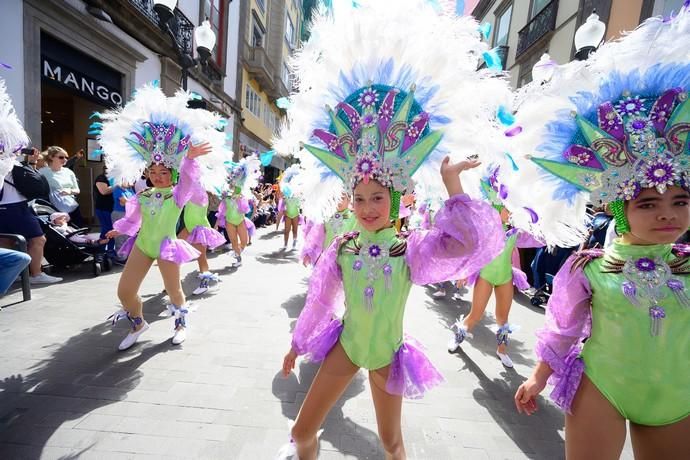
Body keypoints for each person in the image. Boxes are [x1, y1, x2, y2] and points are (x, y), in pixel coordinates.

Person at [273, 2, 511, 457]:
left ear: (397, 199)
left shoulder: (411, 249)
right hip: (345, 346)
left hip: (386, 354)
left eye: (377, 198)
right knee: (302, 432)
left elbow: (468, 242)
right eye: (359, 198)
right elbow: (320, 299)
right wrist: (298, 345)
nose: (366, 208)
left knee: (391, 441)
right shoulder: (341, 245)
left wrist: (452, 184)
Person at [511, 9, 690, 457]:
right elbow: (562, 329)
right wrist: (537, 376)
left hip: (677, 398)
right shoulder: (588, 267)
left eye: (680, 201)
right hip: (601, 389)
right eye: (648, 203)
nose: (667, 213)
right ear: (621, 207)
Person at [98, 83, 226, 350]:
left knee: (174, 290)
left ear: (173, 174)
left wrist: (188, 158)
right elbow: (134, 220)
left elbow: (190, 178)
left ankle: (180, 324)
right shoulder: (142, 196)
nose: (157, 176)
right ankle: (138, 323)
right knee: (125, 291)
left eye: (163, 172)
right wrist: (117, 230)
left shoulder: (178, 195)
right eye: (153, 172)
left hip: (167, 246)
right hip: (143, 245)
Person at [448, 165, 544, 368]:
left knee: (503, 318)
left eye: (511, 210)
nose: (509, 213)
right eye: (506, 209)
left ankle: (502, 350)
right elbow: (473, 250)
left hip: (505, 277)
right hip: (485, 275)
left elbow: (537, 239)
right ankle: (459, 336)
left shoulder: (516, 230)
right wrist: (464, 272)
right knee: (476, 314)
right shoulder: (487, 228)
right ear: (498, 208)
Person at [0, 79, 61, 285]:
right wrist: (30, 162)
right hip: (15, 208)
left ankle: (10, 275)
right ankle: (36, 274)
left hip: (5, 209)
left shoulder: (7, 163)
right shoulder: (8, 164)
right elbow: (30, 181)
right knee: (38, 239)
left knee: (6, 240)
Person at [216, 155, 261, 268]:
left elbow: (245, 207)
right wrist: (217, 224)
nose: (232, 180)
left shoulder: (240, 190)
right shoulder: (224, 192)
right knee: (234, 242)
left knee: (244, 242)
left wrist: (240, 196)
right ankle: (238, 258)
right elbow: (221, 209)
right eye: (230, 178)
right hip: (229, 221)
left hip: (240, 221)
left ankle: (237, 252)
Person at [301, 192, 357, 267]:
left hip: (346, 259)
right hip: (328, 259)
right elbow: (316, 236)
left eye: (342, 198)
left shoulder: (354, 216)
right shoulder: (327, 215)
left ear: (349, 199)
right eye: (335, 198)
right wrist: (308, 254)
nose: (339, 201)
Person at [40, 146, 85, 227]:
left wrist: (70, 191)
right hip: (55, 211)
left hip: (73, 208)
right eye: (61, 157)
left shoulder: (69, 172)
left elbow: (77, 190)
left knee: (79, 234)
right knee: (61, 236)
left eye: (66, 157)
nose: (65, 160)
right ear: (51, 157)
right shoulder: (43, 172)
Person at [277, 164, 302, 250]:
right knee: (286, 230)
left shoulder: (297, 194)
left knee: (295, 230)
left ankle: (294, 242)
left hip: (295, 214)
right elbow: (280, 201)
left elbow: (300, 204)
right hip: (288, 214)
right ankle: (285, 244)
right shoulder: (285, 193)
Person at [111, 180, 135, 263]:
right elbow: (125, 201)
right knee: (120, 236)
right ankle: (121, 258)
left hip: (129, 214)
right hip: (119, 214)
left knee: (129, 236)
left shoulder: (129, 189)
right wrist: (133, 202)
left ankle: (128, 257)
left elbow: (134, 200)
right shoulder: (117, 189)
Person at [93, 167, 115, 256]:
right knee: (107, 229)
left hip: (112, 208)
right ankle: (101, 251)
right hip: (103, 208)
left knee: (111, 230)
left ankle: (110, 250)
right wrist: (117, 184)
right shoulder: (101, 178)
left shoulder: (114, 178)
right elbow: (104, 191)